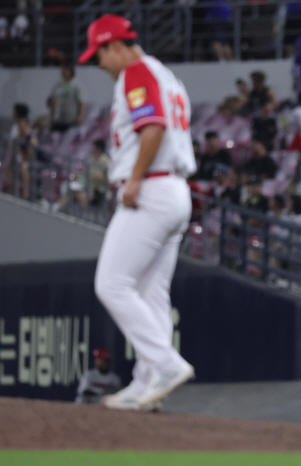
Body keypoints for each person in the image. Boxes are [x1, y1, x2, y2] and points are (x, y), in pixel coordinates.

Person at [81, 14, 196, 410]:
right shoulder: (166, 75)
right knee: (151, 293)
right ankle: (148, 383)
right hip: (175, 189)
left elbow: (153, 127)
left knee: (111, 284)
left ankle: (164, 364)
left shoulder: (135, 71)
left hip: (152, 188)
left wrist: (134, 178)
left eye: (99, 53)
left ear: (115, 46)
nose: (97, 63)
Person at [48, 63, 85, 132]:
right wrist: (51, 115)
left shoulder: (76, 86)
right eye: (63, 71)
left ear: (71, 72)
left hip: (71, 120)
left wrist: (80, 116)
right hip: (58, 119)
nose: (64, 73)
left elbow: (81, 102)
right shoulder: (58, 85)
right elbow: (53, 100)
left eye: (66, 71)